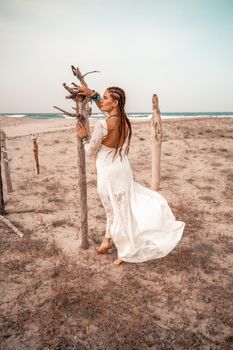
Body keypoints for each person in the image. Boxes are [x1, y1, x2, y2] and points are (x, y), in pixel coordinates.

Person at [76, 86, 185, 265]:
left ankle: (123, 250)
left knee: (114, 211)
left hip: (109, 172)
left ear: (116, 102)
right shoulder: (124, 122)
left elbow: (89, 151)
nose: (101, 101)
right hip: (122, 169)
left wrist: (84, 137)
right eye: (101, 98)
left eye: (105, 98)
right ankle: (106, 242)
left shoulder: (102, 125)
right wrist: (93, 95)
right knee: (122, 208)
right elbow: (108, 114)